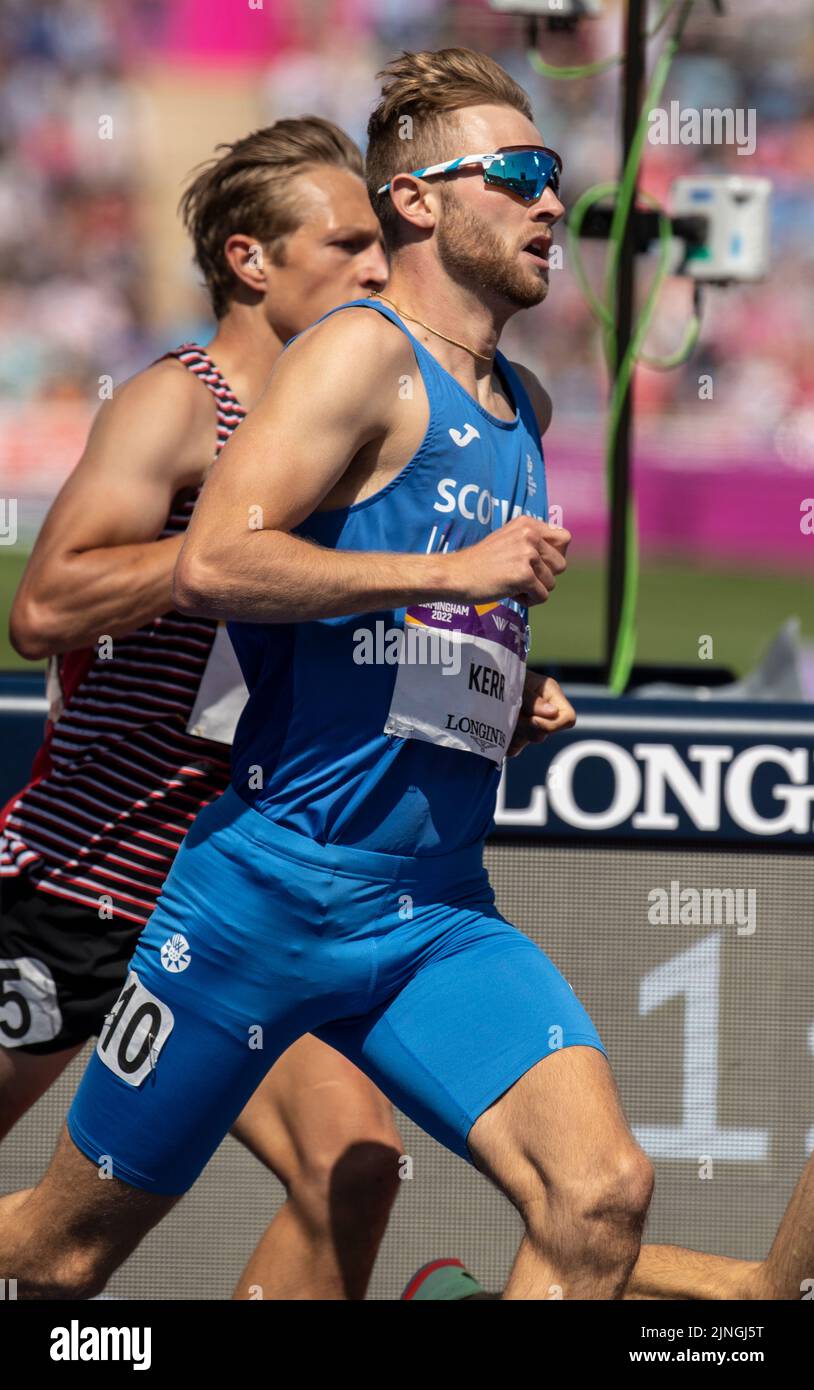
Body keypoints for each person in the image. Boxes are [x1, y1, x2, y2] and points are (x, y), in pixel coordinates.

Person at [0, 46, 647, 1302]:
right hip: (264, 893)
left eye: (554, 174)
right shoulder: (354, 354)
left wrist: (497, 694)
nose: (551, 202)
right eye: (517, 174)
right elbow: (217, 567)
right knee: (59, 1252)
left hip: (434, 908)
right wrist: (456, 580)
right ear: (420, 199)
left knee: (599, 1194)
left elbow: (396, 625)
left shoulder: (525, 405)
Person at [0, 117, 409, 1300]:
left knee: (356, 1164)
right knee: (62, 1264)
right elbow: (45, 604)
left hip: (236, 891)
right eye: (348, 245)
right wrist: (219, 558)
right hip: (85, 883)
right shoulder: (181, 402)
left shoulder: (341, 435)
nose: (379, 271)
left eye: (382, 245)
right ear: (250, 261)